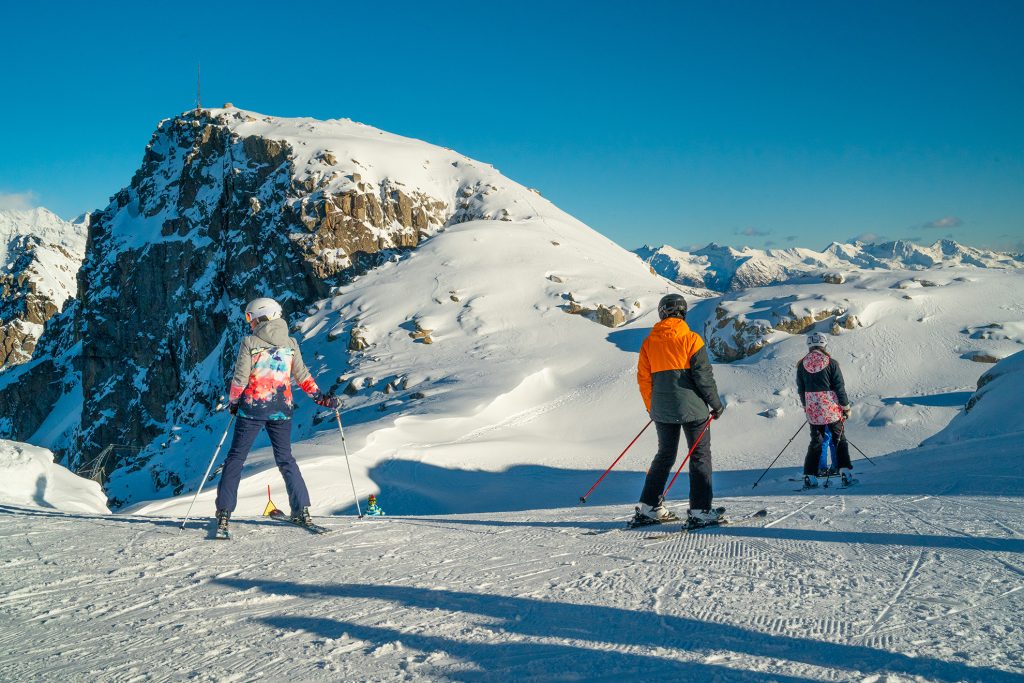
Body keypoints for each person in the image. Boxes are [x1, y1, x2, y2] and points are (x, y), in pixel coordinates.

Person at [214, 297, 340, 536]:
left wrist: (233, 403)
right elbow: (303, 376)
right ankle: (301, 509)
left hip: (252, 408)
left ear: (262, 316)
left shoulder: (249, 342)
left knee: (236, 459)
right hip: (282, 409)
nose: (249, 323)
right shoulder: (291, 343)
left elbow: (240, 378)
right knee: (286, 459)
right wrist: (321, 398)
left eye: (250, 317)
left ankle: (224, 513)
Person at [633, 293, 726, 527]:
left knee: (664, 455)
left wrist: (652, 408)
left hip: (662, 411)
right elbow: (704, 378)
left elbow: (644, 380)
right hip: (694, 410)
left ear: (662, 313)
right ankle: (700, 510)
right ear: (682, 313)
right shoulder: (692, 340)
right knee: (699, 456)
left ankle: (648, 507)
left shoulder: (648, 343)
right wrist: (715, 404)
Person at [797, 331, 853, 487]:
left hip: (813, 411)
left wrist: (806, 405)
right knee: (839, 439)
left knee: (816, 442)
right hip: (832, 409)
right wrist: (846, 407)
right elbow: (839, 388)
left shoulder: (801, 365)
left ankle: (810, 476)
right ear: (824, 345)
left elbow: (801, 389)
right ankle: (845, 474)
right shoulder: (831, 363)